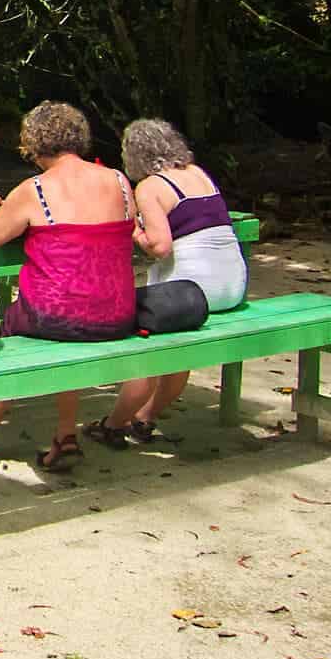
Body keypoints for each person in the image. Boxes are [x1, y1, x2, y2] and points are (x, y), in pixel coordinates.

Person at [0, 101, 137, 472]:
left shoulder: (34, 189)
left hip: (56, 315)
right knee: (62, 334)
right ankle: (65, 433)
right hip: (117, 312)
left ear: (34, 144)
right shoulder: (119, 180)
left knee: (7, 329)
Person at [85, 118, 249, 447]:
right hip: (233, 284)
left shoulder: (150, 188)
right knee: (180, 347)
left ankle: (115, 424)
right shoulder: (199, 173)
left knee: (144, 342)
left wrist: (132, 228)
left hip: (194, 290)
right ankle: (146, 416)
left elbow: (159, 247)